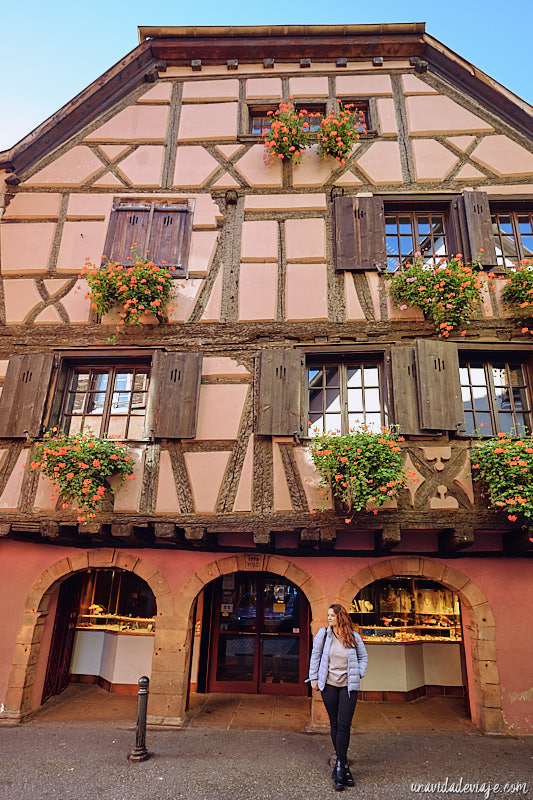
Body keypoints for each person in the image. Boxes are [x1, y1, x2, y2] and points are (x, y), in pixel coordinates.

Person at [308, 604, 368, 792]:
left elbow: (363, 657)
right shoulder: (323, 635)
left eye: (332, 615)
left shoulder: (353, 636)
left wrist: (359, 672)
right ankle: (343, 766)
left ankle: (340, 766)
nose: (329, 618)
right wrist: (314, 678)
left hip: (348, 687)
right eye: (328, 615)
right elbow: (315, 656)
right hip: (329, 686)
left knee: (344, 724)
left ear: (340, 617)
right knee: (334, 724)